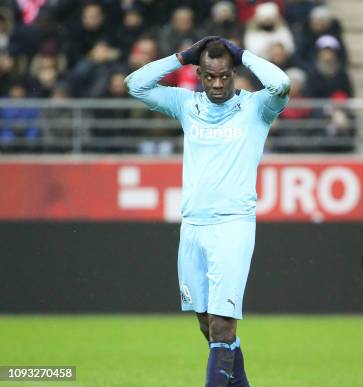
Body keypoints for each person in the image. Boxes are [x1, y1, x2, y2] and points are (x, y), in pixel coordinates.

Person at [125, 36, 290, 386]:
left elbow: (281, 83)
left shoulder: (256, 108)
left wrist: (242, 54)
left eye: (225, 76)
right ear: (200, 74)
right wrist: (180, 57)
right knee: (207, 325)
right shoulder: (187, 105)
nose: (217, 84)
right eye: (210, 77)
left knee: (222, 324)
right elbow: (135, 86)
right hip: (193, 226)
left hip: (232, 226)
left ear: (234, 74)